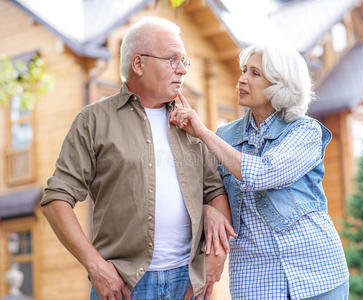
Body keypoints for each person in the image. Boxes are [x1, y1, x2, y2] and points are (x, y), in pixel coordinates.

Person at [41, 16, 235, 300]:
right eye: (172, 59)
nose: (181, 70)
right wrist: (95, 266)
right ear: (138, 64)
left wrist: (216, 259)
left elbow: (214, 190)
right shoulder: (93, 120)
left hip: (188, 281)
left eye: (184, 61)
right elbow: (56, 199)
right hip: (123, 285)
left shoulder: (191, 122)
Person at [170, 43, 350, 299]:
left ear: (281, 83)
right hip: (255, 280)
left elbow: (264, 173)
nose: (242, 79)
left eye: (255, 74)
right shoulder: (225, 137)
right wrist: (208, 210)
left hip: (317, 274)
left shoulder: (305, 131)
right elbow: (202, 191)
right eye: (243, 70)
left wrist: (202, 133)